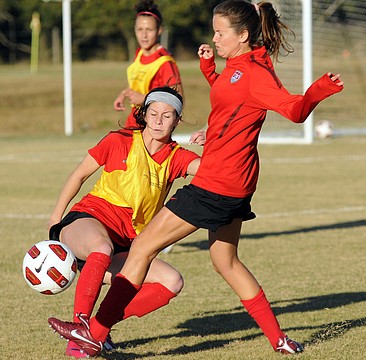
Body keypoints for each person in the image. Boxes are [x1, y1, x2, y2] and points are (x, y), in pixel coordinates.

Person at [48, 0, 344, 356]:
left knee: (141, 249)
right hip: (238, 184)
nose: (215, 38)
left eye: (220, 33)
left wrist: (317, 91)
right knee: (226, 262)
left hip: (216, 182)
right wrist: (209, 80)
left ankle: (92, 333)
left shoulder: (255, 72)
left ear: (243, 35)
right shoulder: (239, 65)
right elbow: (232, 99)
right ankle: (278, 340)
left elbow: (294, 111)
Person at [46, 86, 200, 358]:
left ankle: (95, 330)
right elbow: (78, 175)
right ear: (144, 114)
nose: (158, 121)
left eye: (167, 115)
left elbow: (216, 170)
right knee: (100, 248)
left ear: (177, 120)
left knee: (172, 281)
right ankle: (80, 327)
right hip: (86, 222)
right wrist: (55, 219)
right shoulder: (119, 140)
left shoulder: (177, 157)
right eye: (153, 113)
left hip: (126, 245)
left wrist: (214, 139)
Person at [114, 0, 183, 128]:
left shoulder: (165, 62)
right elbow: (138, 83)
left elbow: (178, 99)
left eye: (149, 30)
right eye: (140, 29)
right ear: (134, 30)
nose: (144, 35)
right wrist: (123, 94)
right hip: (134, 121)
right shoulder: (139, 53)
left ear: (159, 30)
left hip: (153, 127)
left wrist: (144, 99)